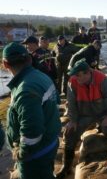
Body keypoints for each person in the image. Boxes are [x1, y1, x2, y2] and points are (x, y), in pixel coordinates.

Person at [2, 42, 61, 179]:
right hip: (50, 143)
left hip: (35, 156)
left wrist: (21, 154)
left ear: (5, 64)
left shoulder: (25, 90)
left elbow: (32, 132)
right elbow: (56, 101)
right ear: (28, 59)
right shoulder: (41, 76)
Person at [56, 59, 107, 179]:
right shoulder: (73, 82)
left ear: (87, 73)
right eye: (75, 75)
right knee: (69, 133)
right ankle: (66, 168)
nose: (76, 78)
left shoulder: (101, 79)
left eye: (78, 75)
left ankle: (100, 126)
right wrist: (73, 121)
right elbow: (71, 103)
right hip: (84, 115)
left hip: (101, 113)